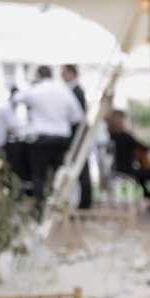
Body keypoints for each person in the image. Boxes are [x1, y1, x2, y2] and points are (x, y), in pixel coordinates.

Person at [16, 65, 83, 206]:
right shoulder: (64, 90)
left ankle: (40, 207)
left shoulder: (35, 90)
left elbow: (15, 99)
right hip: (62, 138)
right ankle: (60, 204)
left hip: (41, 139)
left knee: (38, 175)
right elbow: (77, 116)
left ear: (38, 76)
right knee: (60, 174)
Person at [61, 64, 92, 208]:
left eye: (64, 73)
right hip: (76, 135)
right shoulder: (72, 90)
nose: (62, 76)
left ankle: (85, 203)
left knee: (81, 168)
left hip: (77, 136)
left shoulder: (76, 91)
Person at [105, 109, 150, 197]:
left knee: (143, 173)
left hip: (115, 169)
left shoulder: (110, 135)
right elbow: (144, 148)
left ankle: (148, 194)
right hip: (126, 170)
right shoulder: (125, 136)